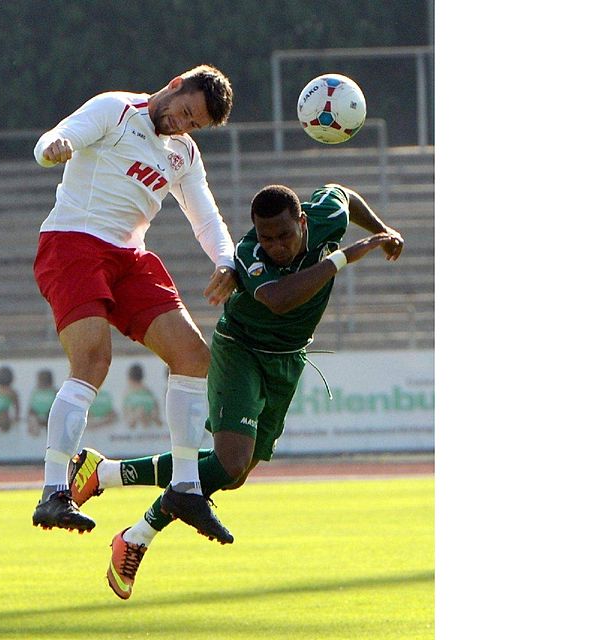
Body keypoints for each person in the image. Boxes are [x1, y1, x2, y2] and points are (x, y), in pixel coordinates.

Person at [67, 182, 405, 598]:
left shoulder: (326, 216)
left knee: (232, 475)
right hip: (241, 351)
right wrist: (344, 256)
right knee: (230, 462)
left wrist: (382, 229)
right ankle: (137, 535)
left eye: (284, 235)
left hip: (288, 358)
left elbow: (344, 196)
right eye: (267, 237)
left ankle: (106, 477)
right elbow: (279, 299)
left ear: (303, 222)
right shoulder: (249, 254)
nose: (276, 246)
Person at [30, 64, 238, 543]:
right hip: (73, 242)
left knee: (194, 357)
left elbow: (206, 217)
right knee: (92, 360)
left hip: (129, 255)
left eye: (194, 124)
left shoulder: (184, 154)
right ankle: (54, 489)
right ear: (175, 85)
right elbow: (57, 138)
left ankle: (185, 487)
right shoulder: (116, 109)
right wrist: (52, 149)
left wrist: (226, 261)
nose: (182, 125)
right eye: (185, 112)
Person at [122, 363, 163, 429]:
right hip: (149, 408)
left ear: (129, 378)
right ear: (142, 377)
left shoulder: (128, 393)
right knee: (152, 417)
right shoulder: (149, 392)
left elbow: (125, 414)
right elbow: (157, 407)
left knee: (132, 419)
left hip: (134, 410)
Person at [27, 369, 58, 436]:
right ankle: (35, 433)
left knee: (51, 419)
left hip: (50, 414)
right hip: (36, 414)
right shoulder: (36, 391)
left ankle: (49, 433)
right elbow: (31, 405)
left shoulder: (54, 391)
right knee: (32, 417)